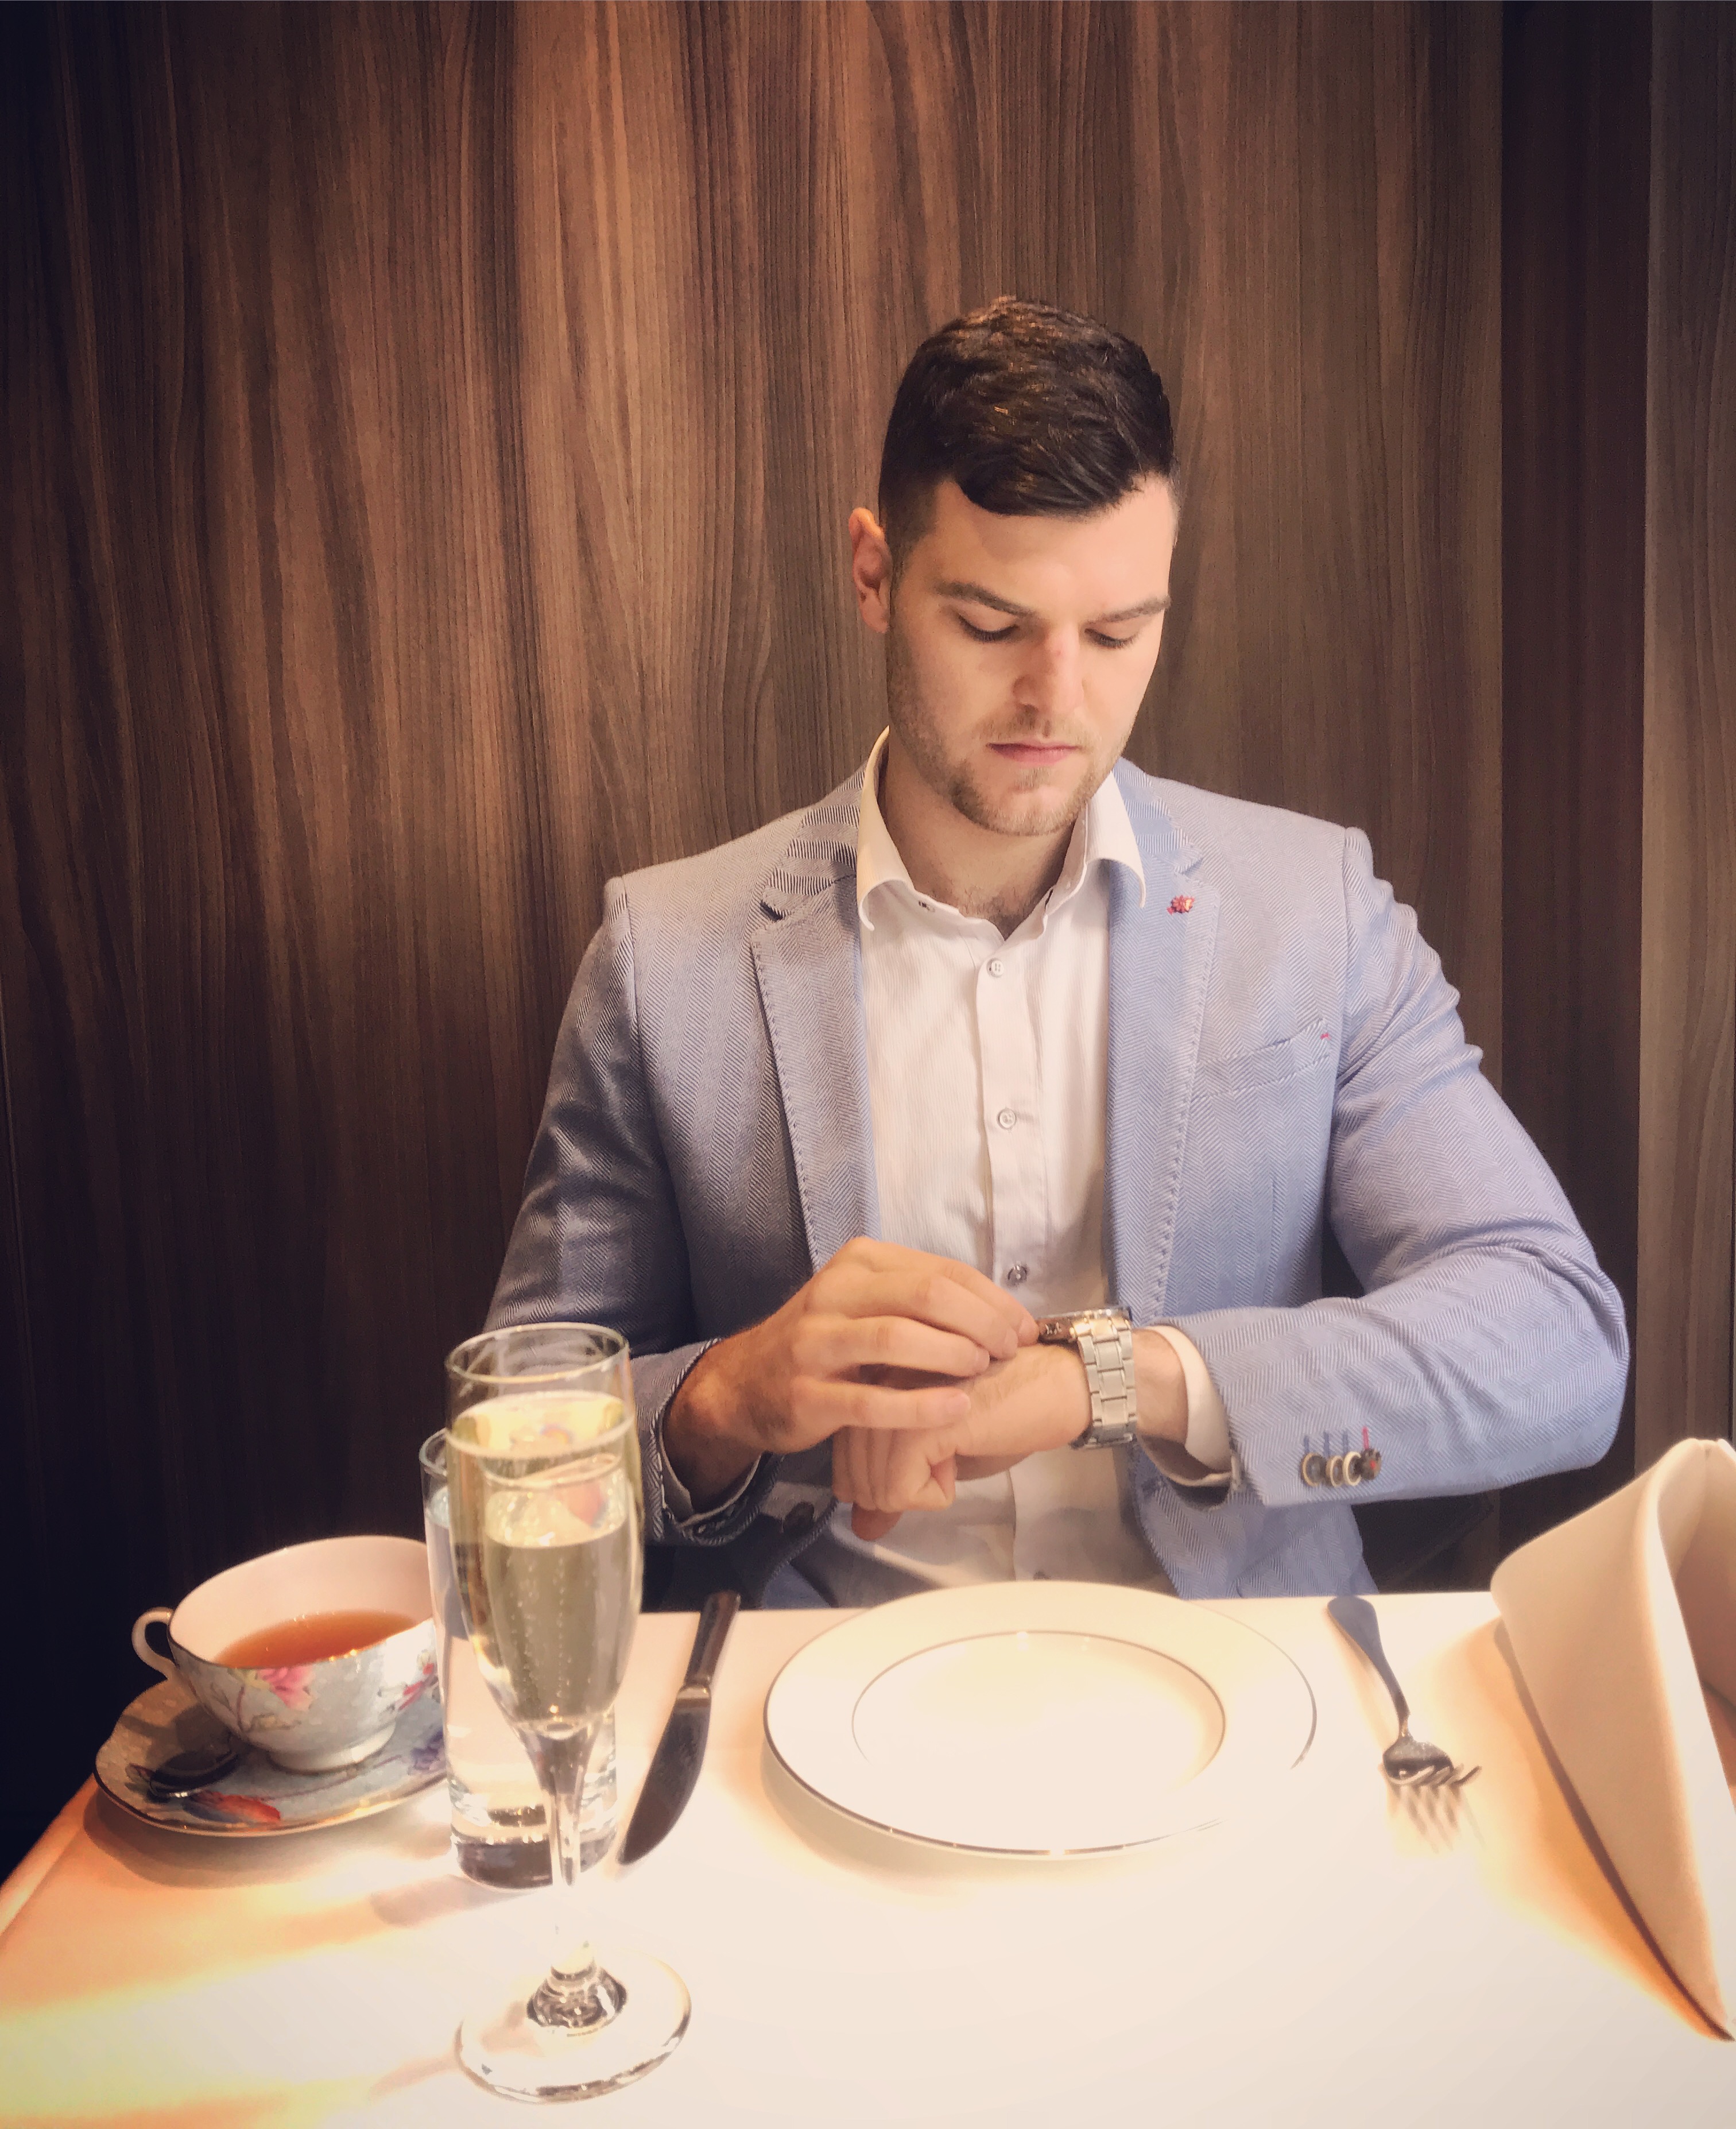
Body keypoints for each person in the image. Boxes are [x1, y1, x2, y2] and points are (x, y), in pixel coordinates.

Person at [490, 296, 1626, 1606]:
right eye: (991, 626)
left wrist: (1126, 1381)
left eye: (1118, 631)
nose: (1057, 698)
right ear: (873, 573)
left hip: (1252, 1686)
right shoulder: (662, 961)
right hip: (808, 1699)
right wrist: (729, 1394)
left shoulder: (1317, 909)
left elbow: (1557, 1343)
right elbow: (508, 1449)